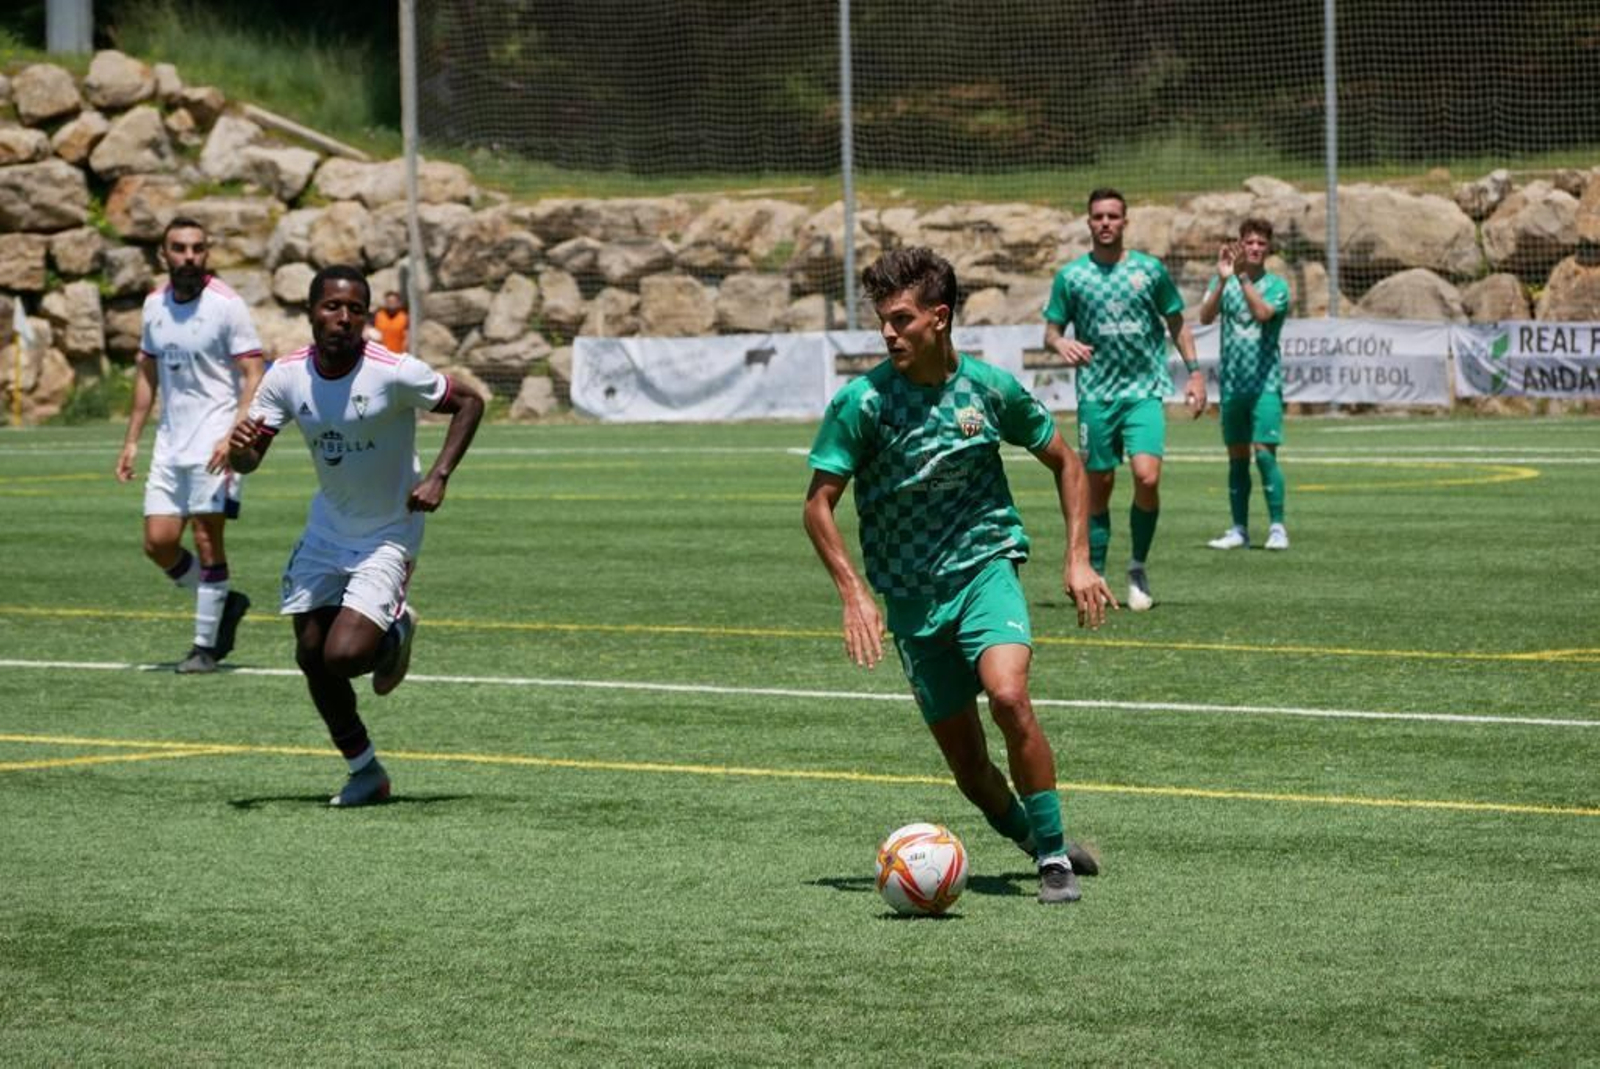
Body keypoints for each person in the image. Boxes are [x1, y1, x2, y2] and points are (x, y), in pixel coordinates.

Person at [804, 246, 1116, 905]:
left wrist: (1077, 555)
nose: (888, 333)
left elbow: (1065, 461)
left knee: (1008, 695)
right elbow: (817, 505)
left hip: (984, 569)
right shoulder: (862, 404)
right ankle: (1036, 838)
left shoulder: (988, 390)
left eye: (901, 319)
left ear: (939, 318)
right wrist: (854, 591)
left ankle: (1054, 857)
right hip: (912, 600)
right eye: (882, 320)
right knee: (971, 768)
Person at [227, 265, 484, 807]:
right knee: (310, 653)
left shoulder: (393, 371)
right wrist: (239, 448)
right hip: (327, 529)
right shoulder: (286, 376)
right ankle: (365, 770)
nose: (343, 318)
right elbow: (250, 460)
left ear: (366, 317)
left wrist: (438, 476)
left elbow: (469, 402)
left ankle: (395, 632)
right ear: (311, 313)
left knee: (344, 656)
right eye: (332, 307)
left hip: (389, 531)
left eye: (354, 309)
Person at [1043, 188, 1205, 611]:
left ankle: (1136, 565)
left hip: (1143, 392)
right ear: (1088, 222)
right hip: (1096, 395)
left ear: (1125, 222)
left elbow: (1177, 323)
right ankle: (1093, 574)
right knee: (1099, 486)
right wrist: (1060, 344)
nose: (1106, 223)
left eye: (1113, 216)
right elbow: (1051, 331)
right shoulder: (1072, 277)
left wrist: (1196, 374)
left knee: (1147, 477)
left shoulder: (1149, 272)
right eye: (1098, 216)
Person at [116, 217, 263, 673]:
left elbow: (255, 372)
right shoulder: (154, 305)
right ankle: (223, 602)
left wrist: (234, 433)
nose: (189, 256)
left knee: (205, 536)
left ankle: (204, 646)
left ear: (207, 253)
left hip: (214, 441)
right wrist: (132, 440)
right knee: (158, 544)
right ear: (164, 254)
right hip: (169, 444)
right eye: (179, 248)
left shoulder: (227, 305)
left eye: (197, 248)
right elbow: (147, 374)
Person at [1198, 218, 1292, 551]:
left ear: (1268, 249)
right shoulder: (1224, 281)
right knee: (1237, 459)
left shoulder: (1277, 286)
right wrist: (1224, 282)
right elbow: (1205, 317)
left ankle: (1277, 527)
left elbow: (1263, 314)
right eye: (1249, 242)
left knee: (1264, 456)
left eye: (1260, 244)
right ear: (1241, 245)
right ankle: (1239, 529)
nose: (1254, 248)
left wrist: (1239, 278)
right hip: (1233, 387)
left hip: (1265, 384)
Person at [372, 290, 409, 354]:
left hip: (397, 355)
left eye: (393, 301)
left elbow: (407, 338)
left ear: (398, 303)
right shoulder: (378, 315)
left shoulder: (404, 317)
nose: (391, 304)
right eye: (389, 301)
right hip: (380, 354)